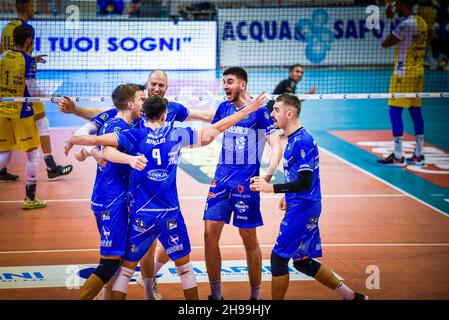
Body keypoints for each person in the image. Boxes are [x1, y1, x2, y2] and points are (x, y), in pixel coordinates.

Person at [66, 93, 268, 300]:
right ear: (164, 116)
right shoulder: (176, 133)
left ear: (143, 113)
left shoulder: (135, 134)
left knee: (125, 271)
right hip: (169, 213)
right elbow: (214, 130)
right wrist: (247, 110)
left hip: (142, 214)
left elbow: (98, 141)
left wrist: (77, 141)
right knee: (185, 269)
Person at [60, 69, 214, 300]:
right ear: (143, 90)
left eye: (162, 85)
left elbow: (202, 117)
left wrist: (86, 148)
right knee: (116, 260)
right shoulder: (128, 120)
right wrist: (89, 144)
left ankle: (147, 287)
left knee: (124, 256)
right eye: (153, 84)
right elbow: (103, 125)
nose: (157, 88)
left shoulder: (170, 110)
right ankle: (118, 292)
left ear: (167, 89)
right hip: (122, 196)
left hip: (147, 192)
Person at [250, 94, 367, 300]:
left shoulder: (302, 141)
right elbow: (298, 177)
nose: (272, 114)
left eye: (276, 110)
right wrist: (287, 195)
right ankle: (351, 297)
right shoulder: (294, 138)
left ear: (290, 113)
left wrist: (271, 188)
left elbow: (305, 181)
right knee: (302, 261)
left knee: (278, 259)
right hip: (301, 204)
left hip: (304, 208)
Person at [202, 67, 282, 300]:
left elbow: (275, 144)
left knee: (248, 238)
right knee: (208, 234)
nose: (225, 86)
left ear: (242, 85)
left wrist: (268, 173)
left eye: (230, 82)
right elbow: (211, 132)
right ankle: (216, 295)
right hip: (221, 180)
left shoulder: (261, 112)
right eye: (224, 82)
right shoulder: (224, 108)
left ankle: (255, 296)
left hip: (245, 185)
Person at [75, 84, 146, 300]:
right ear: (131, 103)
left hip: (111, 197)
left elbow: (98, 148)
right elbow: (107, 151)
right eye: (142, 99)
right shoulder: (117, 126)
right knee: (108, 264)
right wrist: (131, 160)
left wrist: (88, 151)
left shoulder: (124, 123)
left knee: (115, 259)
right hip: (112, 201)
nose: (145, 102)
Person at [0, 0, 73, 181]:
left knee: (6, 135)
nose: (34, 8)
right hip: (23, 89)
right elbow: (22, 58)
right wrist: (51, 97)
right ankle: (50, 166)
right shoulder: (28, 29)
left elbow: (8, 52)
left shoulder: (7, 27)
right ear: (28, 7)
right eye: (33, 5)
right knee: (42, 122)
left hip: (6, 85)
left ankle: (2, 168)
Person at [0, 25, 46, 209]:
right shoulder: (28, 62)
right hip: (22, 113)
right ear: (28, 41)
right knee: (33, 155)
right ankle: (30, 199)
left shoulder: (2, 57)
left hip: (1, 111)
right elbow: (34, 90)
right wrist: (48, 96)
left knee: (3, 153)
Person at [378, 0, 428, 166]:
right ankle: (418, 154)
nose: (396, 8)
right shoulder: (422, 22)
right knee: (416, 112)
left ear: (403, 4)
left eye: (397, 5)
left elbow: (385, 42)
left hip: (403, 74)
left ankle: (398, 156)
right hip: (419, 72)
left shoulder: (405, 25)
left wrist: (388, 19)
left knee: (395, 112)